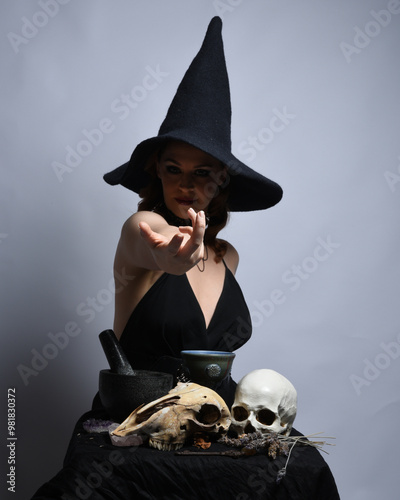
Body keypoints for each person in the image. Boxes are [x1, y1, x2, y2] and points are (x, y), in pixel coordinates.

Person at [102, 16, 283, 408]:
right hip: (138, 429)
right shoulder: (141, 229)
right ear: (157, 173)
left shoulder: (227, 256)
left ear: (221, 181)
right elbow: (153, 241)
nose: (186, 185)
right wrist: (169, 255)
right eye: (173, 170)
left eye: (202, 173)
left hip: (214, 425)